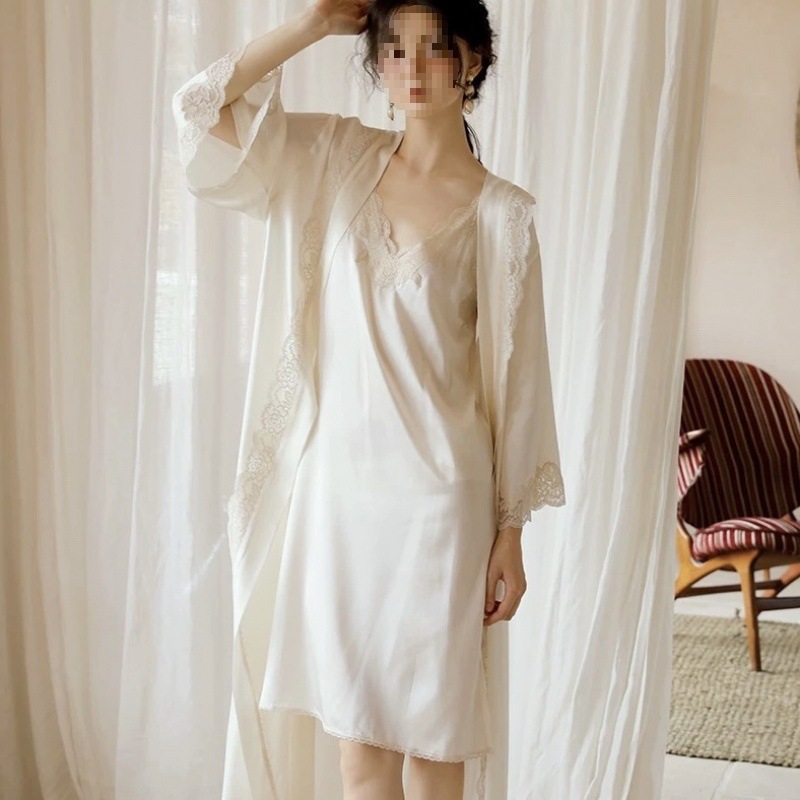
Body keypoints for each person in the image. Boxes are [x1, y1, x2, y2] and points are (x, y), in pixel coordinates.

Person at [172, 2, 566, 798]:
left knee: (436, 752)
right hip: (341, 507)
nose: (412, 68)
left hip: (439, 513)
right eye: (394, 49)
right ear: (377, 62)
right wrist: (313, 25)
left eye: (435, 49)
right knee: (358, 761)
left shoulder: (503, 214)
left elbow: (520, 388)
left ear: (473, 62)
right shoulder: (332, 158)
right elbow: (199, 110)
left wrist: (511, 532)